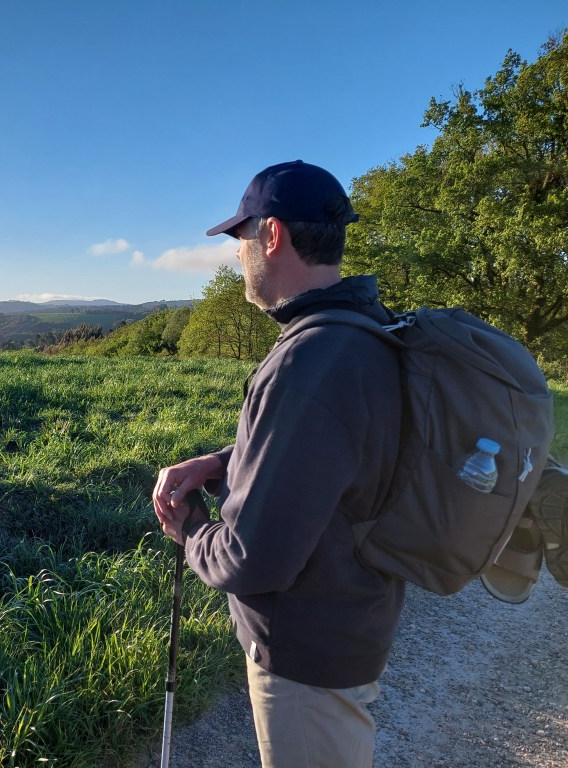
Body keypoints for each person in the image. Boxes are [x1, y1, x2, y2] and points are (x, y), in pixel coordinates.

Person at [152, 160, 405, 767]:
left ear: (271, 235)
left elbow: (251, 558)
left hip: (306, 657)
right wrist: (221, 462)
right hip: (350, 621)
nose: (238, 256)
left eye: (241, 239)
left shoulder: (310, 358)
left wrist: (187, 528)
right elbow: (334, 450)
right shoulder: (363, 331)